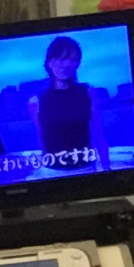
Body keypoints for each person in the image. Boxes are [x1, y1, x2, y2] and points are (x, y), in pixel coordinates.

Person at [34, 32, 96, 166]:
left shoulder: (87, 92)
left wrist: (106, 168)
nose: (67, 65)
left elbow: (98, 132)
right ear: (50, 62)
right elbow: (41, 139)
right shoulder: (39, 100)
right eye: (61, 59)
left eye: (73, 60)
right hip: (52, 170)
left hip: (86, 167)